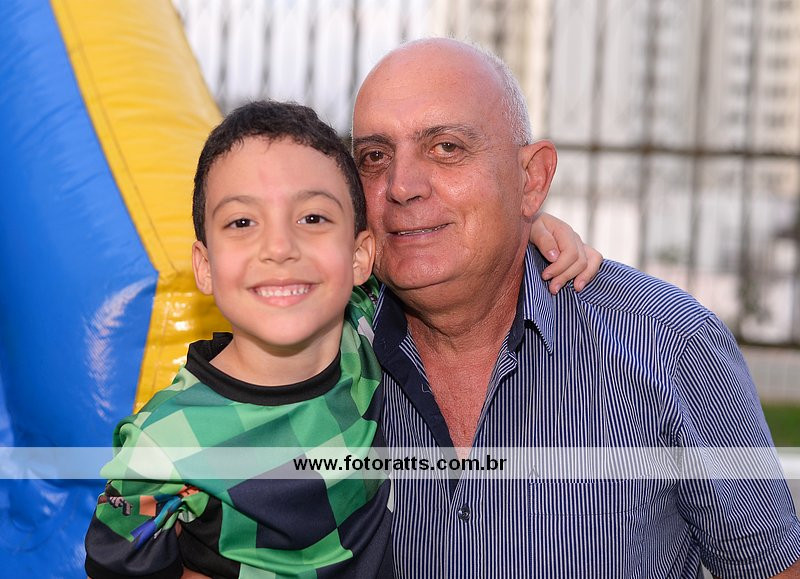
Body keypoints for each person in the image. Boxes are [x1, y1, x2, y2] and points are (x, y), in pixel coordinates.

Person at [83, 100, 599, 578]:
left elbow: (460, 246)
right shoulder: (164, 444)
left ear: (359, 257)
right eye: (241, 221)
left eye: (312, 218)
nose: (279, 247)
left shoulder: (362, 327)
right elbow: (115, 562)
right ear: (205, 265)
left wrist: (530, 226)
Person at [351, 38, 800, 577]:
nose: (401, 186)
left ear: (532, 179)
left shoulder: (665, 341)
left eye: (446, 147)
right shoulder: (327, 345)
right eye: (374, 157)